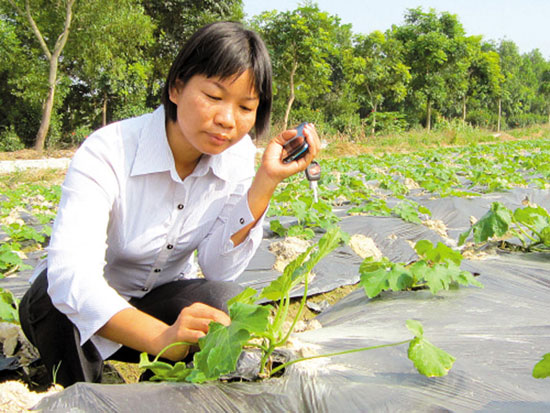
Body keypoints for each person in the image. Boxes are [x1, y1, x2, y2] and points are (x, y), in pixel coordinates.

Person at [18, 21, 320, 387]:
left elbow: (219, 269)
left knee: (224, 301)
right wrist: (163, 341)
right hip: (80, 317)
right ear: (176, 87)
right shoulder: (109, 151)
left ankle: (160, 391)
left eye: (245, 106)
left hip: (160, 307)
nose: (227, 119)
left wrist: (265, 181)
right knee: (55, 296)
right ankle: (84, 391)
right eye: (213, 97)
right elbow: (72, 280)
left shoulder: (236, 155)